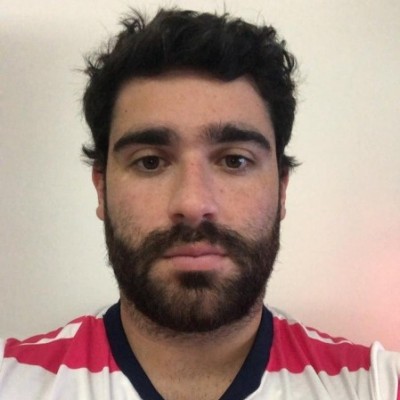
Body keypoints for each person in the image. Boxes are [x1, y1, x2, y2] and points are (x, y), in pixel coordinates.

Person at [0, 8, 399, 400]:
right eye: (150, 162)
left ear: (281, 189)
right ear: (101, 189)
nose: (193, 204)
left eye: (235, 160)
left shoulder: (377, 385)